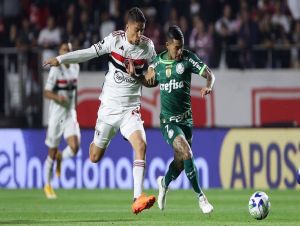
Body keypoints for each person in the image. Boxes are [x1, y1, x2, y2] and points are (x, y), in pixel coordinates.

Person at [43, 7, 156, 214]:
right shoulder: (114, 40)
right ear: (127, 27)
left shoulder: (148, 47)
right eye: (136, 30)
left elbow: (151, 81)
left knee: (141, 144)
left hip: (131, 108)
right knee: (94, 157)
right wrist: (60, 59)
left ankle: (137, 197)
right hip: (108, 110)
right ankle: (94, 143)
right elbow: (87, 53)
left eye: (142, 30)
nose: (139, 35)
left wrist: (141, 76)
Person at [128, 25, 215, 214]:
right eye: (176, 47)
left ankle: (164, 183)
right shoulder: (157, 64)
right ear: (167, 45)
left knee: (180, 162)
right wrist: (136, 75)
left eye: (182, 47)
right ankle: (201, 197)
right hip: (168, 122)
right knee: (187, 153)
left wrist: (208, 85)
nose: (180, 51)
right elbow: (148, 81)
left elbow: (210, 74)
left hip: (187, 121)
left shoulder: (188, 58)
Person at [43, 42, 80, 199]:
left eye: (69, 51)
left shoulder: (75, 67)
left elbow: (74, 90)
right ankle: (48, 185)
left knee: (75, 147)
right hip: (57, 115)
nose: (66, 53)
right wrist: (58, 97)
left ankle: (61, 157)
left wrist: (73, 106)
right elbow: (46, 92)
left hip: (69, 113)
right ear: (59, 52)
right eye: (64, 50)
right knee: (52, 151)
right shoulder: (55, 70)